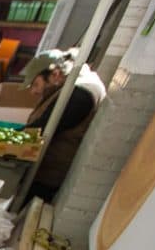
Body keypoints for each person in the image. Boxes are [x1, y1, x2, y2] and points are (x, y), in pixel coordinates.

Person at [22, 48, 106, 203]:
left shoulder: (79, 94)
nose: (33, 92)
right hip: (42, 169)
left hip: (47, 175)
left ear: (55, 74)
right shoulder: (73, 84)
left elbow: (41, 128)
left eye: (35, 84)